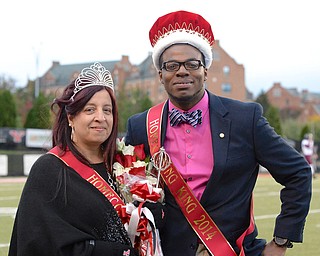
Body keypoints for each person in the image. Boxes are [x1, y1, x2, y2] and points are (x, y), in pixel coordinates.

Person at [124, 10, 312, 256]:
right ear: (161, 75)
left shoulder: (245, 118)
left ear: (206, 71)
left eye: (192, 64)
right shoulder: (140, 125)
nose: (182, 71)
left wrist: (281, 241)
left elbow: (298, 172)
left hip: (235, 250)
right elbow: (127, 191)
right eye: (171, 65)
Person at [9, 62, 139, 256]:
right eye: (89, 110)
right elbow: (40, 244)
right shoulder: (49, 169)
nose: (100, 117)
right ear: (71, 117)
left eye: (107, 110)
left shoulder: (122, 164)